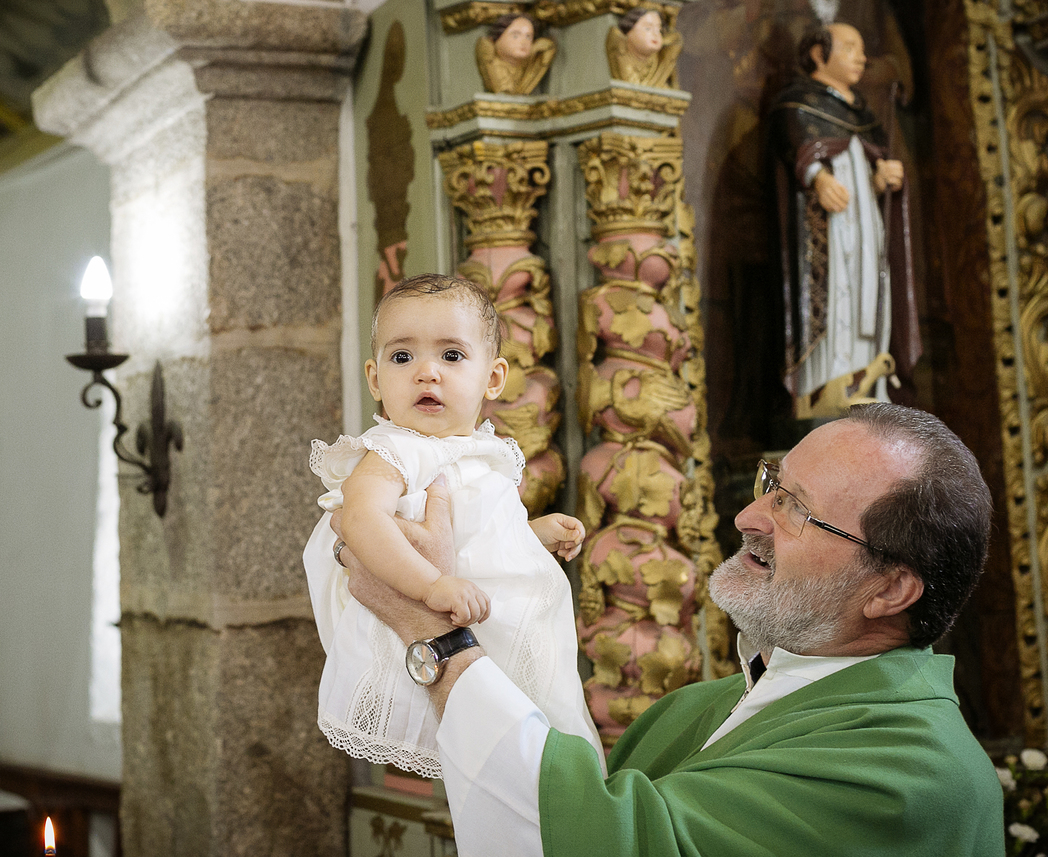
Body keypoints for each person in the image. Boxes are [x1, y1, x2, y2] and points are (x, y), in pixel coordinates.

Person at [332, 402, 1005, 856]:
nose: (749, 515)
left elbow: (591, 839)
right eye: (774, 483)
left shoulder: (916, 773)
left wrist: (435, 635)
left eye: (797, 509)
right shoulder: (700, 706)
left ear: (891, 587)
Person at [303, 273, 602, 778]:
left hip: (491, 617)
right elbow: (359, 519)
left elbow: (475, 545)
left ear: (493, 378)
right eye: (403, 357)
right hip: (427, 610)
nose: (426, 373)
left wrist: (530, 536)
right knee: (511, 742)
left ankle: (556, 782)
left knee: (534, 726)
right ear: (375, 380)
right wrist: (433, 584)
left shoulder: (482, 453)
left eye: (451, 356)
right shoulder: (394, 450)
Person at [768, 22, 920, 417]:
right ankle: (828, 381)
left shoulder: (864, 113)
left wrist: (882, 177)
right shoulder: (796, 104)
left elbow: (864, 164)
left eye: (861, 47)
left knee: (867, 292)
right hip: (826, 235)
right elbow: (795, 149)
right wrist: (817, 178)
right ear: (819, 54)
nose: (862, 56)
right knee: (839, 296)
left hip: (866, 229)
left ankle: (868, 376)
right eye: (849, 47)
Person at [475, 13, 556, 95]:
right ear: (496, 39)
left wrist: (533, 49)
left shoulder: (527, 65)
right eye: (515, 36)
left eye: (528, 37)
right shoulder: (493, 64)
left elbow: (547, 45)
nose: (524, 42)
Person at [605, 7, 682, 89]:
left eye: (659, 30)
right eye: (648, 28)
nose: (655, 34)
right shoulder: (622, 55)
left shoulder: (662, 61)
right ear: (629, 32)